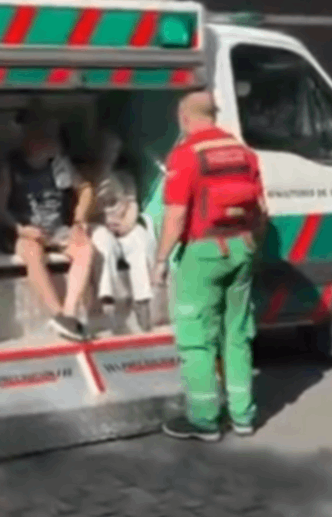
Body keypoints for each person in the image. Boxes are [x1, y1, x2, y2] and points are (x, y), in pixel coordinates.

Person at [153, 91, 267, 442]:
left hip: (203, 253)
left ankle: (204, 421)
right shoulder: (244, 153)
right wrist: (250, 248)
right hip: (242, 248)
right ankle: (243, 416)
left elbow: (176, 216)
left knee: (197, 338)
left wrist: (161, 259)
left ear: (184, 117)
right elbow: (262, 211)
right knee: (237, 335)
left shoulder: (186, 154)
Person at [0, 111, 96, 341]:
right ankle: (56, 313)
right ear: (31, 138)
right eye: (47, 136)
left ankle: (69, 314)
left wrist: (79, 221)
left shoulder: (59, 163)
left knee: (85, 247)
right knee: (31, 250)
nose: (53, 142)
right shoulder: (10, 166)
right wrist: (22, 229)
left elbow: (86, 189)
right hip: (23, 231)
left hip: (56, 229)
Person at [88, 130, 157, 332]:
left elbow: (132, 204)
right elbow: (86, 209)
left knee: (139, 240)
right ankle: (107, 299)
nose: (110, 154)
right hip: (99, 226)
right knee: (106, 245)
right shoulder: (88, 178)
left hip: (122, 225)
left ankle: (142, 301)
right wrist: (105, 223)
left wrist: (126, 225)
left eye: (113, 151)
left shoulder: (125, 177)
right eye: (106, 150)